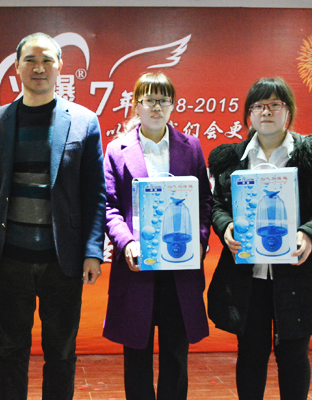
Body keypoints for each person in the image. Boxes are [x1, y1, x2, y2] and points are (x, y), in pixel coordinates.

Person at [0, 32, 106, 400]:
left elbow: (95, 193)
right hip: (9, 258)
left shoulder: (84, 121)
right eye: (30, 60)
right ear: (16, 67)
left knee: (61, 351)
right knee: (11, 347)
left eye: (47, 60)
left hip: (62, 259)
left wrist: (93, 251)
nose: (39, 67)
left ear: (60, 66)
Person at [207, 77, 312, 400]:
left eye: (274, 105)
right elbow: (217, 206)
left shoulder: (310, 155)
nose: (266, 112)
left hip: (296, 274)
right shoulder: (231, 159)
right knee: (250, 355)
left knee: (293, 357)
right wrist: (225, 227)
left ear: (288, 111)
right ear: (248, 115)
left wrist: (309, 235)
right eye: (258, 106)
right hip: (247, 277)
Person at [102, 72, 212, 400]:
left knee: (176, 354)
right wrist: (126, 242)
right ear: (136, 104)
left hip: (180, 266)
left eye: (163, 100)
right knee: (137, 354)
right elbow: (108, 207)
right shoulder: (117, 150)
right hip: (137, 266)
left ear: (173, 105)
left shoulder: (191, 147)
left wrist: (200, 239)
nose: (156, 107)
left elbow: (204, 201)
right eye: (149, 99)